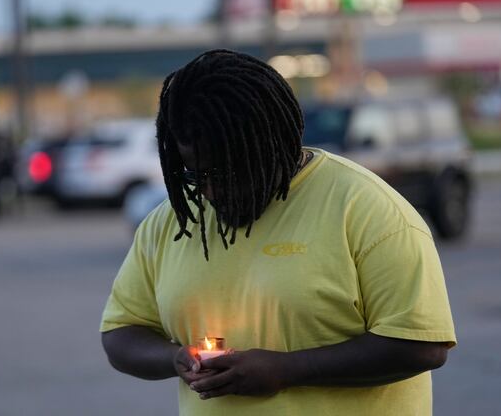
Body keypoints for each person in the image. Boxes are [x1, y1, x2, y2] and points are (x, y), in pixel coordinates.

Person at [100, 49, 456, 416]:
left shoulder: (366, 209)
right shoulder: (170, 223)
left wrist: (287, 370)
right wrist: (175, 358)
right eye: (194, 174)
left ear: (275, 144)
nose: (210, 191)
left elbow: (420, 345)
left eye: (225, 173)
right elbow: (121, 334)